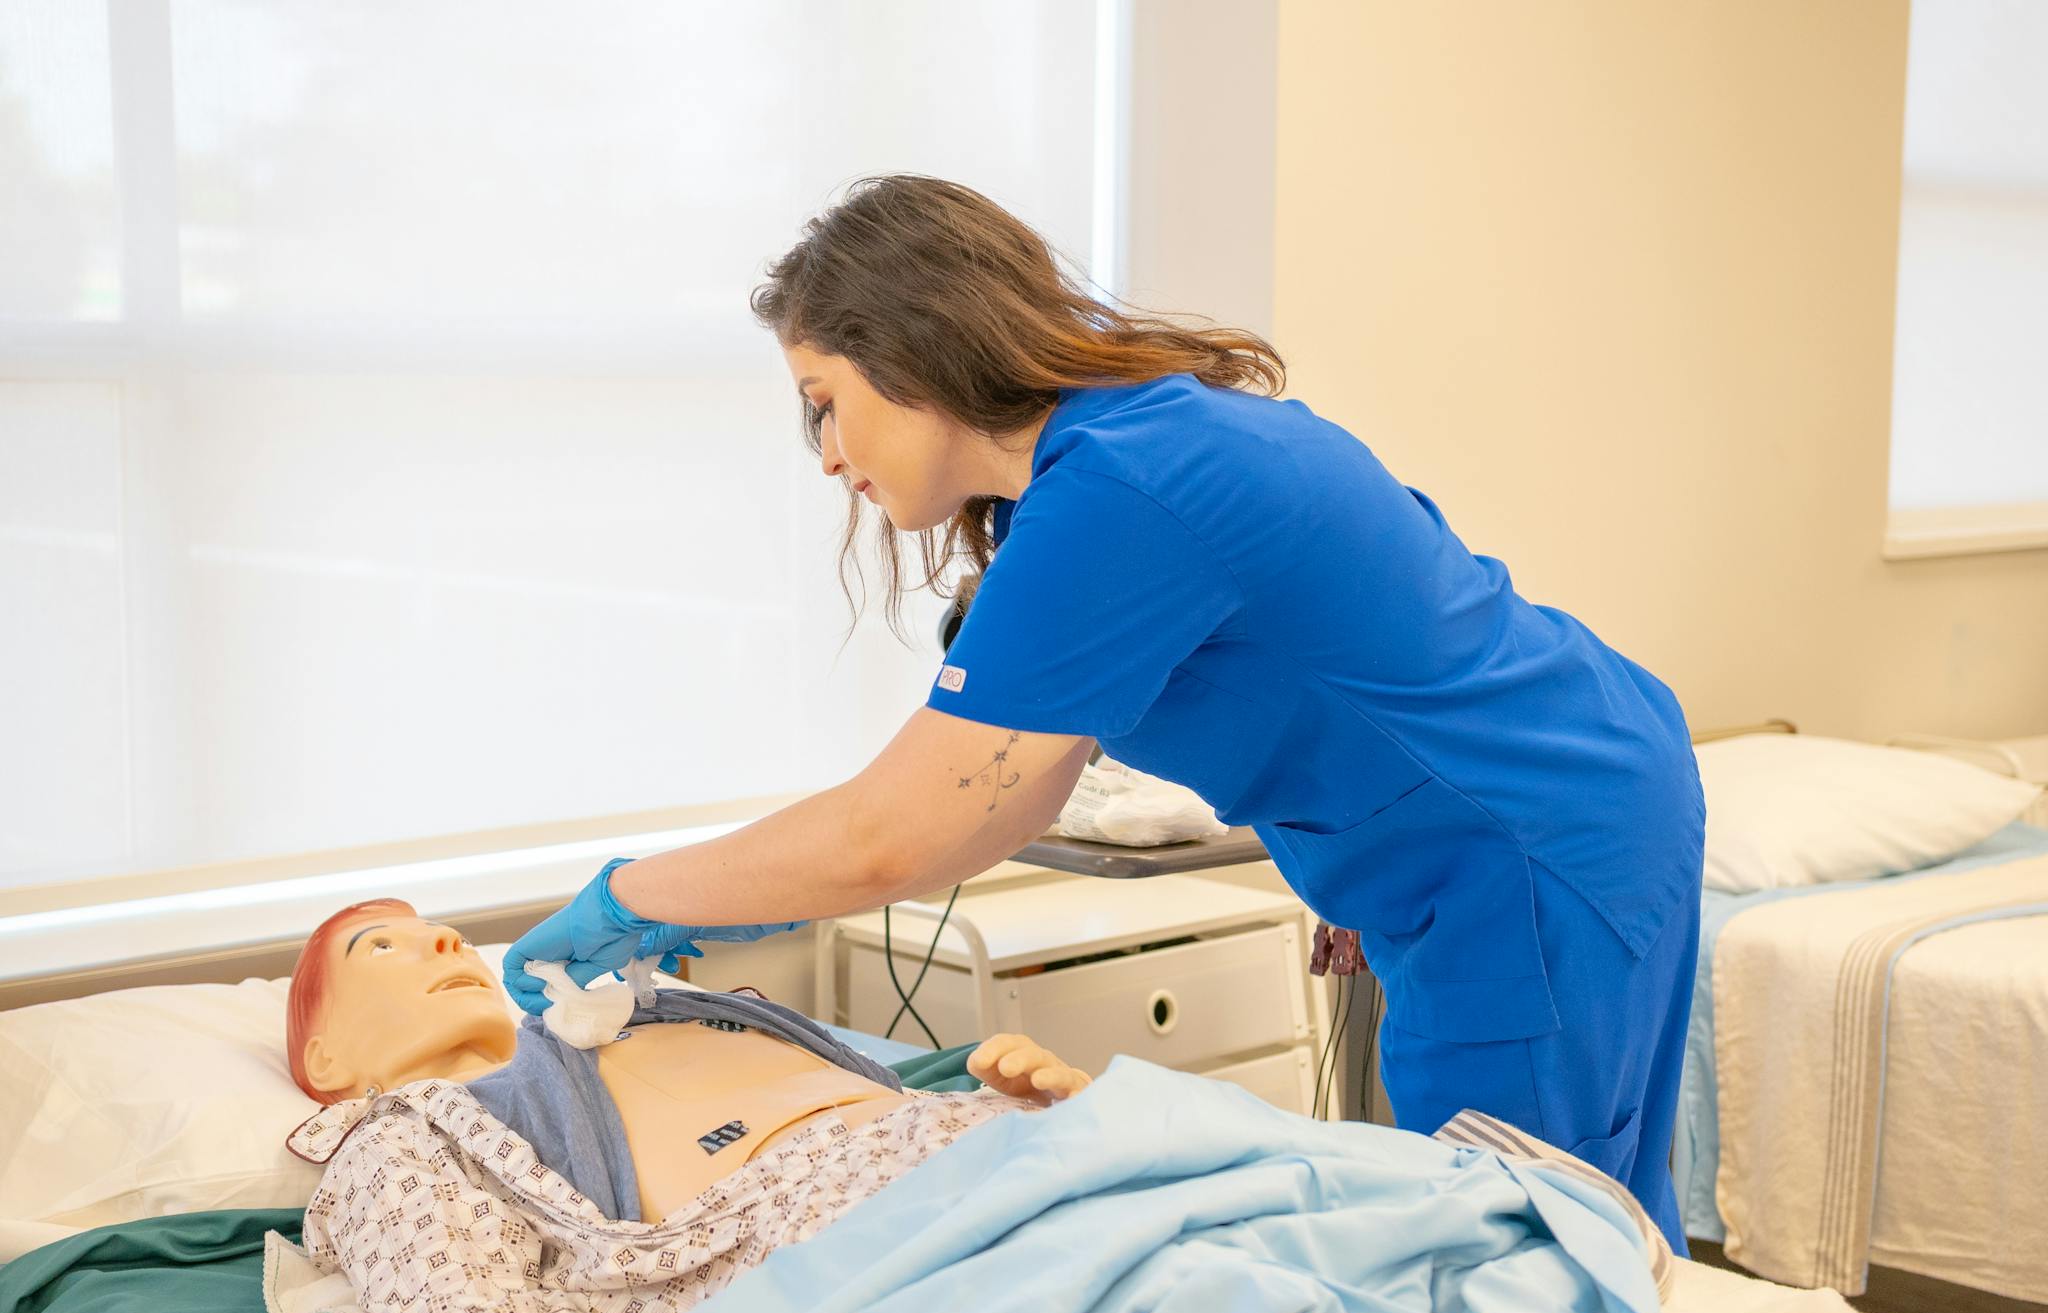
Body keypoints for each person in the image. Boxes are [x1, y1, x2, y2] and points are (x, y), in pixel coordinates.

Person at [502, 174, 1706, 1247]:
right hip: (1548, 793)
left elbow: (900, 830)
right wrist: (1347, 864)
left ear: (908, 352)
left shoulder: (1126, 489)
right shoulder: (1114, 461)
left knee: (1525, 1251)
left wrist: (634, 896)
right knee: (1572, 1217)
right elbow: (996, 815)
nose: (821, 453)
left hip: (1525, 847)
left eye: (822, 400)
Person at [281, 898, 1089, 1313]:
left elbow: (894, 1102)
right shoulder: (402, 1139)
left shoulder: (673, 1009)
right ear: (327, 1057)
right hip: (889, 1248)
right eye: (382, 946)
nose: (443, 941)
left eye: (437, 930)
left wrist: (1050, 1106)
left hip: (1033, 1160)